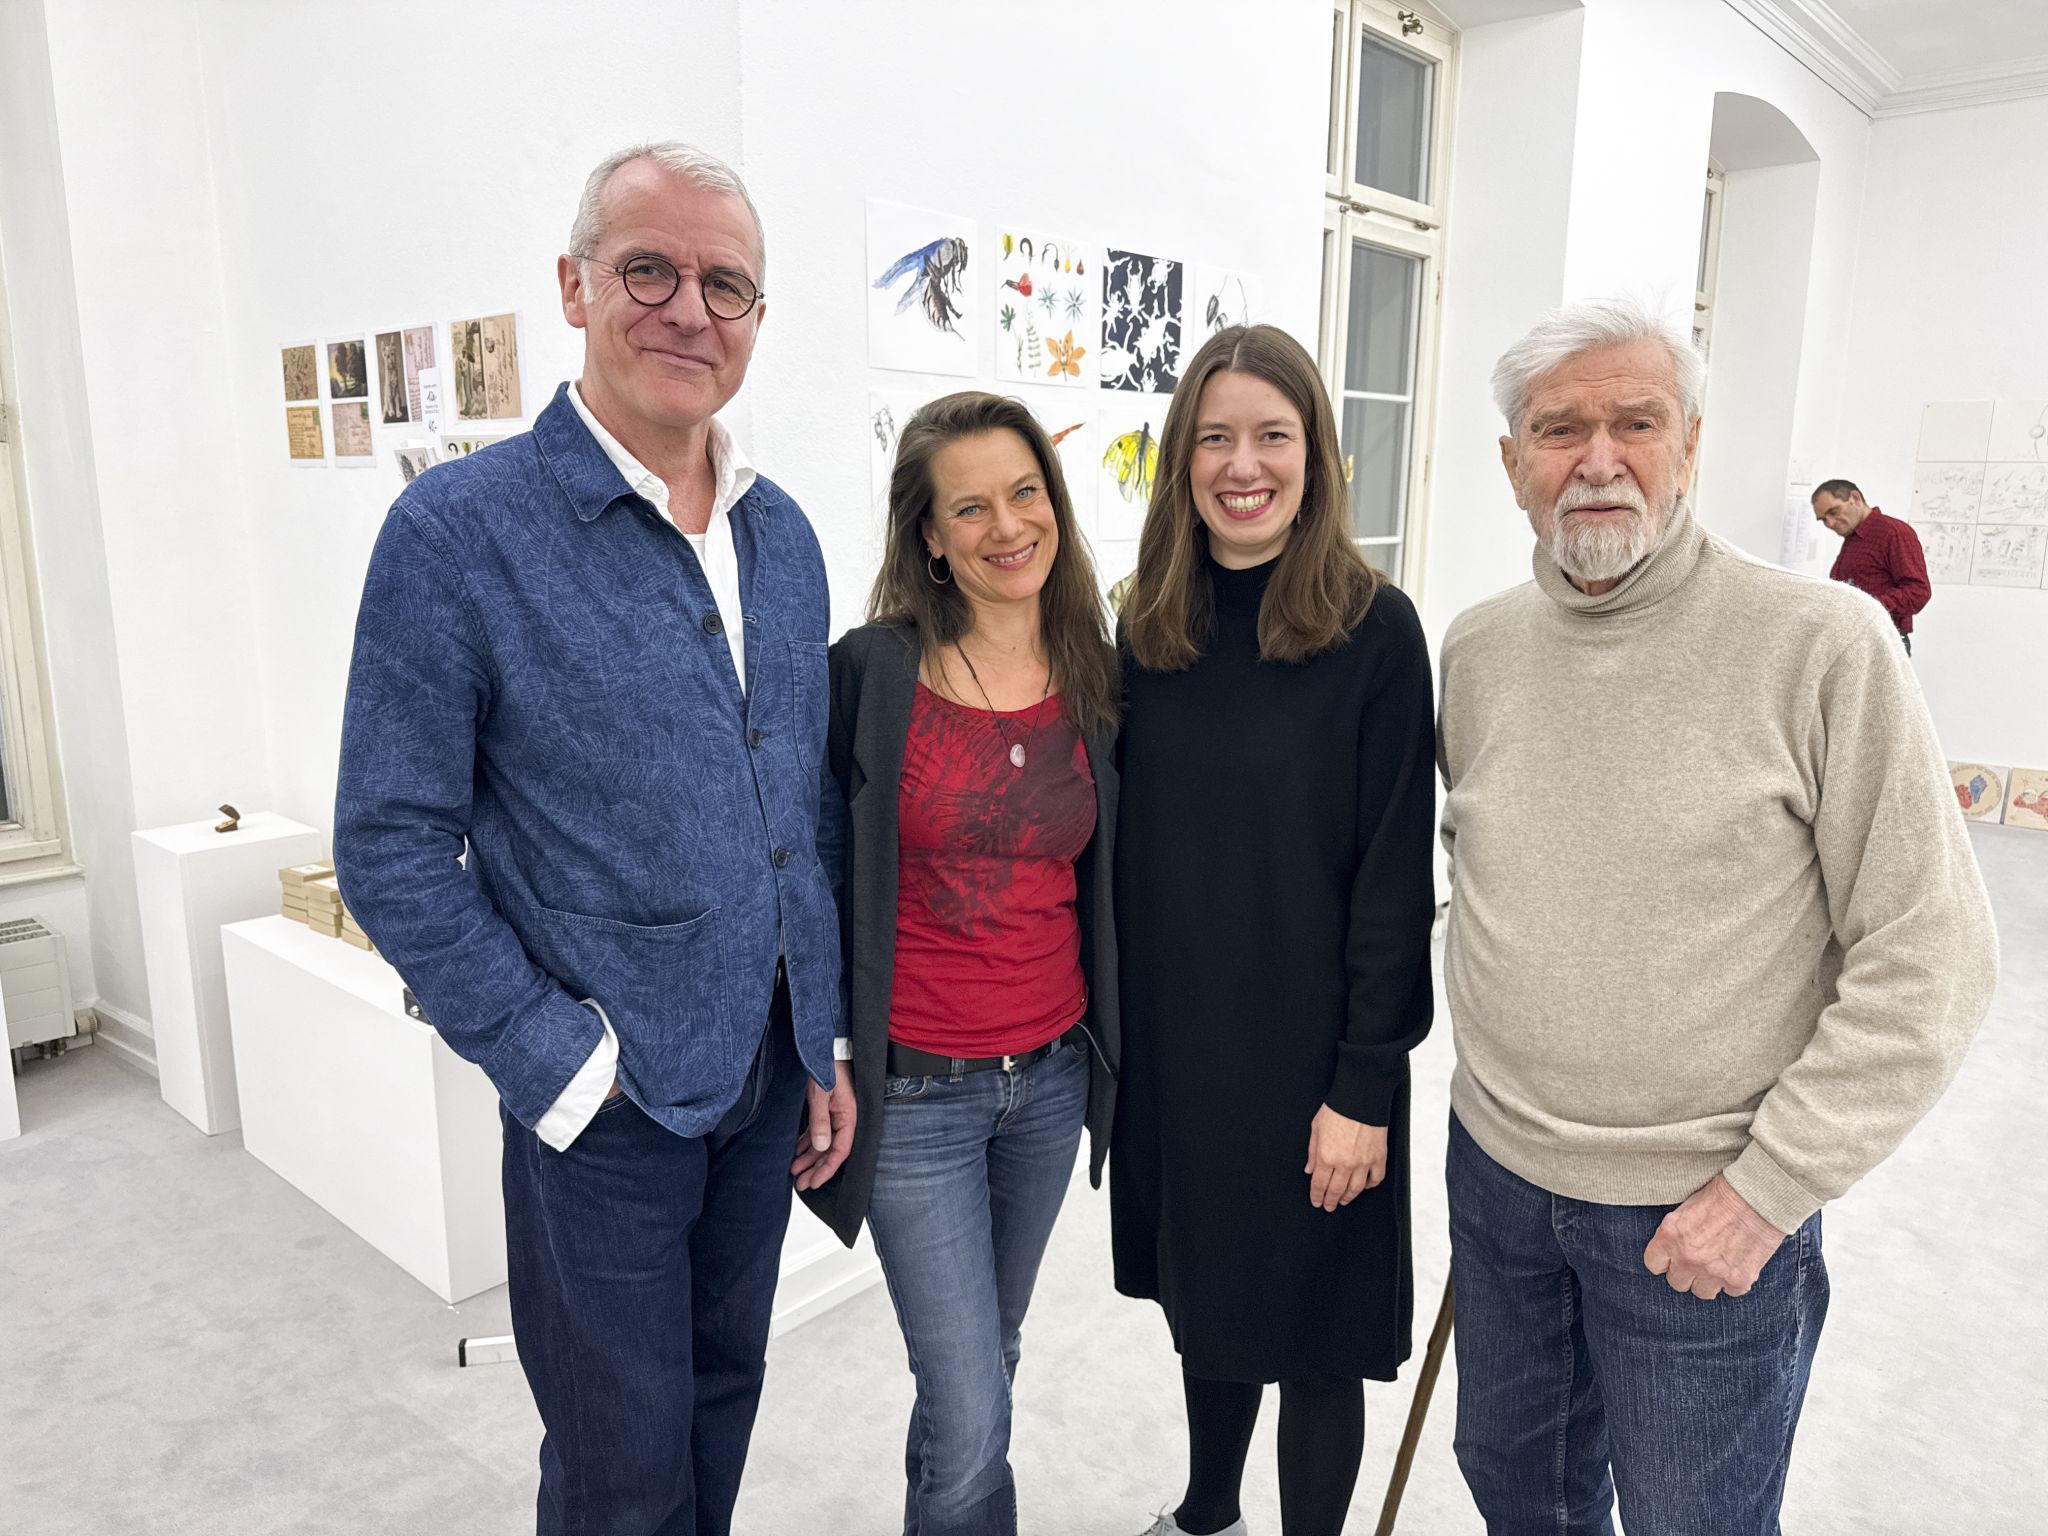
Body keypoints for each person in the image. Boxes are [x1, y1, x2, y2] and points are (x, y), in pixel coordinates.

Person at [333, 142, 854, 1536]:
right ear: (573, 286)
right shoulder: (458, 534)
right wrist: (555, 1060)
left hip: (762, 1083)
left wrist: (823, 1042)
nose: (690, 309)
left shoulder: (783, 537)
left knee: (721, 1403)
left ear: (756, 318)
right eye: (649, 270)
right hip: (605, 1113)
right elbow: (387, 843)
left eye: (726, 284)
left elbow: (799, 811)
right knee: (622, 1471)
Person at [1438, 299, 1999, 1535]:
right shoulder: (1475, 652)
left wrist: (1768, 1188)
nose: (1595, 460)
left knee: (1696, 1518)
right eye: (1556, 429)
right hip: (1495, 1184)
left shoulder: (1820, 645)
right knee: (1515, 1492)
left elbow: (1931, 950)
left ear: (1690, 444)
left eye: (1634, 423)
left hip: (1699, 1214)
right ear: (1509, 463)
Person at [1113, 324, 1437, 1536]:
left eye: (1271, 436)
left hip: (1319, 1062)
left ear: (1314, 454)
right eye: (1213, 437)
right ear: (1180, 459)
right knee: (1213, 1299)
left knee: (1312, 1334)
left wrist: (1361, 1085)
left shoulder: (1371, 630)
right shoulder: (1147, 628)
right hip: (1187, 1052)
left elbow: (1391, 883)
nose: (1241, 465)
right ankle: (1206, 1512)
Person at [803, 392, 1121, 1536]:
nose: (1006, 526)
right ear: (928, 535)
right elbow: (811, 870)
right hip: (916, 1090)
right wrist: (816, 1052)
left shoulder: (1095, 669)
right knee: (972, 1399)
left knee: (984, 1360)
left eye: (1024, 493)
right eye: (969, 507)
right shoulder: (871, 674)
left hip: (1048, 1078)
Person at [1812, 478, 1931, 652]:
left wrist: (1869, 607)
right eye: (1823, 519)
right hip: (1854, 640)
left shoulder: (1894, 532)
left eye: (1834, 511)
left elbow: (1919, 591)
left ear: (1855, 498)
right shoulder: (1853, 536)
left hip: (1883, 642)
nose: (1830, 523)